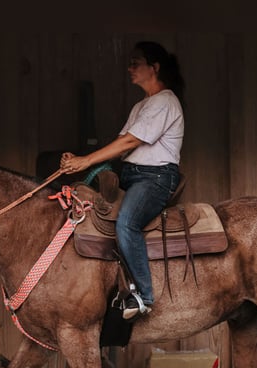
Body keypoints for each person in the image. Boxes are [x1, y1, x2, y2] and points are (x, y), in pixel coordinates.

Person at [60, 41, 185, 321]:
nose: (130, 68)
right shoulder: (143, 105)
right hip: (133, 176)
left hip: (155, 178)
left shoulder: (165, 101)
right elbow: (121, 143)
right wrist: (82, 162)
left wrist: (85, 161)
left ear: (154, 68)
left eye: (135, 63)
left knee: (127, 222)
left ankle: (144, 295)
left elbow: (130, 141)